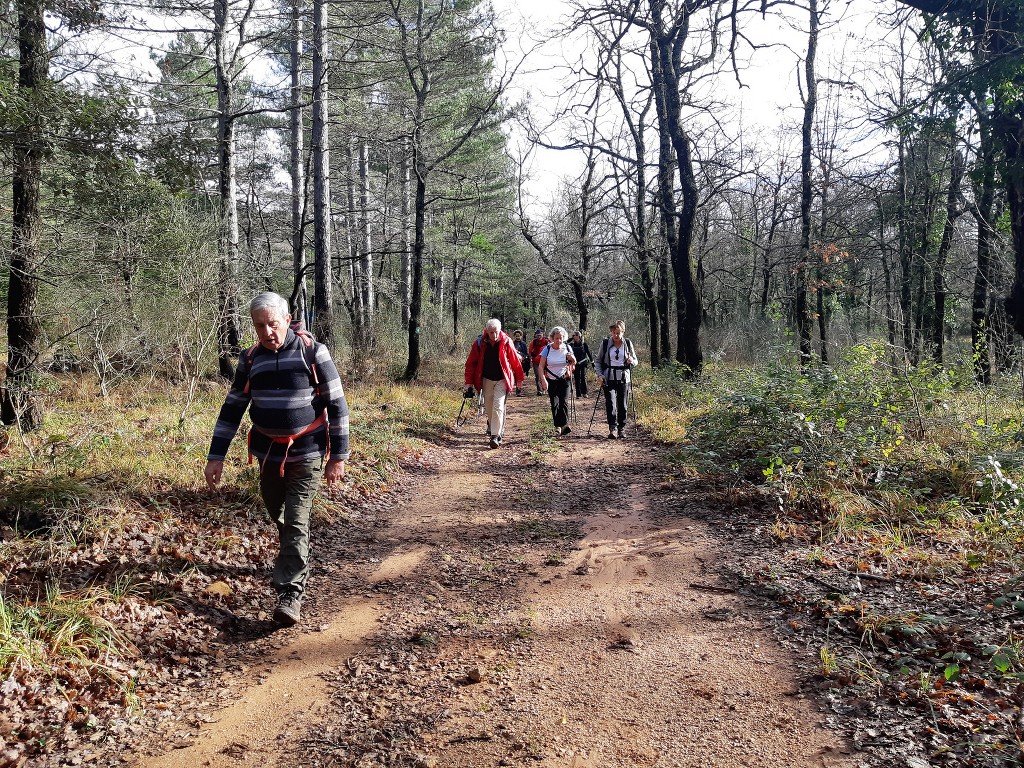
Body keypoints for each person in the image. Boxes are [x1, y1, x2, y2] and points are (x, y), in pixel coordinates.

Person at [204, 292, 349, 627]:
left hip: (308, 451)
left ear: (287, 319)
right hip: (268, 454)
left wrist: (338, 456)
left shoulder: (314, 352)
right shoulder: (251, 359)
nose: (268, 331)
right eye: (260, 325)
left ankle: (289, 593)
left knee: (296, 520)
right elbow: (233, 408)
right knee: (278, 512)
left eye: (273, 323)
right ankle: (293, 556)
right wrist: (216, 456)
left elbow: (337, 406)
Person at [464, 319, 526, 449]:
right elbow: (471, 363)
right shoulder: (480, 343)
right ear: (487, 331)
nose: (494, 335)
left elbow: (515, 361)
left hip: (502, 380)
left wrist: (519, 378)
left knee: (498, 406)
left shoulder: (506, 341)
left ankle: (495, 436)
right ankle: (495, 429)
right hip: (486, 379)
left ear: (500, 330)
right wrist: (468, 382)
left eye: (496, 332)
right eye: (491, 332)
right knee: (490, 407)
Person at [594, 319, 638, 439]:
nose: (616, 335)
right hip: (609, 377)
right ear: (611, 332)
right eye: (614, 332)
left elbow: (635, 360)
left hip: (624, 377)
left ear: (623, 332)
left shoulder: (628, 343)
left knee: (623, 404)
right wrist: (600, 375)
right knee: (611, 403)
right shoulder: (605, 343)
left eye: (618, 332)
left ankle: (621, 429)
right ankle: (612, 428)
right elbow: (598, 361)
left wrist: (631, 361)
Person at [538, 326, 576, 437]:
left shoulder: (568, 348)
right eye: (556, 338)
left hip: (564, 379)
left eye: (560, 338)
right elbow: (540, 366)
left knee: (563, 402)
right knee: (555, 403)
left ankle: (564, 425)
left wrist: (572, 359)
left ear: (563, 338)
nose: (559, 340)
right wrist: (543, 380)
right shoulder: (547, 349)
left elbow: (574, 363)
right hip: (551, 380)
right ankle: (557, 426)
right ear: (552, 338)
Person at [568, 330, 593, 398]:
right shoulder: (571, 345)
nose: (575, 337)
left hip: (583, 363)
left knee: (583, 377)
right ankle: (578, 394)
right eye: (574, 336)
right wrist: (570, 339)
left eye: (576, 336)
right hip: (575, 364)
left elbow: (589, 353)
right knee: (577, 378)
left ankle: (584, 393)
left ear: (579, 336)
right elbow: (565, 345)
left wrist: (592, 362)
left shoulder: (584, 344)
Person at [527, 329, 549, 395]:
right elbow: (530, 352)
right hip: (535, 361)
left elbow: (550, 351)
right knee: (537, 375)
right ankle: (539, 390)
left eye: (540, 335)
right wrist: (530, 361)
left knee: (546, 375)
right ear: (536, 335)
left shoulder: (546, 341)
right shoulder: (533, 342)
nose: (539, 336)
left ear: (542, 334)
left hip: (545, 362)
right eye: (538, 335)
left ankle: (545, 389)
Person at [511, 330, 530, 395]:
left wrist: (521, 355)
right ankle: (513, 388)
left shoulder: (523, 344)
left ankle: (518, 390)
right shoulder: (512, 343)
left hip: (522, 363)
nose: (517, 337)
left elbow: (525, 353)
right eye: (516, 336)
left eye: (519, 336)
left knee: (520, 377)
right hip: (513, 362)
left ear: (521, 336)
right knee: (514, 376)